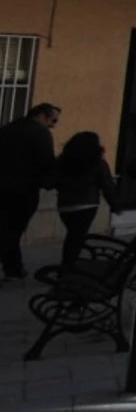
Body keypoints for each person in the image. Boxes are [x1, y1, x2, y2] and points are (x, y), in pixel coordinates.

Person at [0, 100, 61, 281]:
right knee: (13, 230)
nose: (53, 125)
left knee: (6, 228)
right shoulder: (40, 134)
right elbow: (46, 163)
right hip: (23, 191)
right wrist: (52, 181)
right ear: (41, 115)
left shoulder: (8, 128)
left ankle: (14, 267)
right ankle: (12, 267)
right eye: (53, 120)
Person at [51, 130, 119, 265]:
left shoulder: (62, 161)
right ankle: (68, 265)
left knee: (73, 234)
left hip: (65, 204)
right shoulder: (98, 163)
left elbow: (51, 181)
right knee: (77, 236)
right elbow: (107, 186)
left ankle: (68, 264)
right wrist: (115, 205)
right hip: (88, 204)